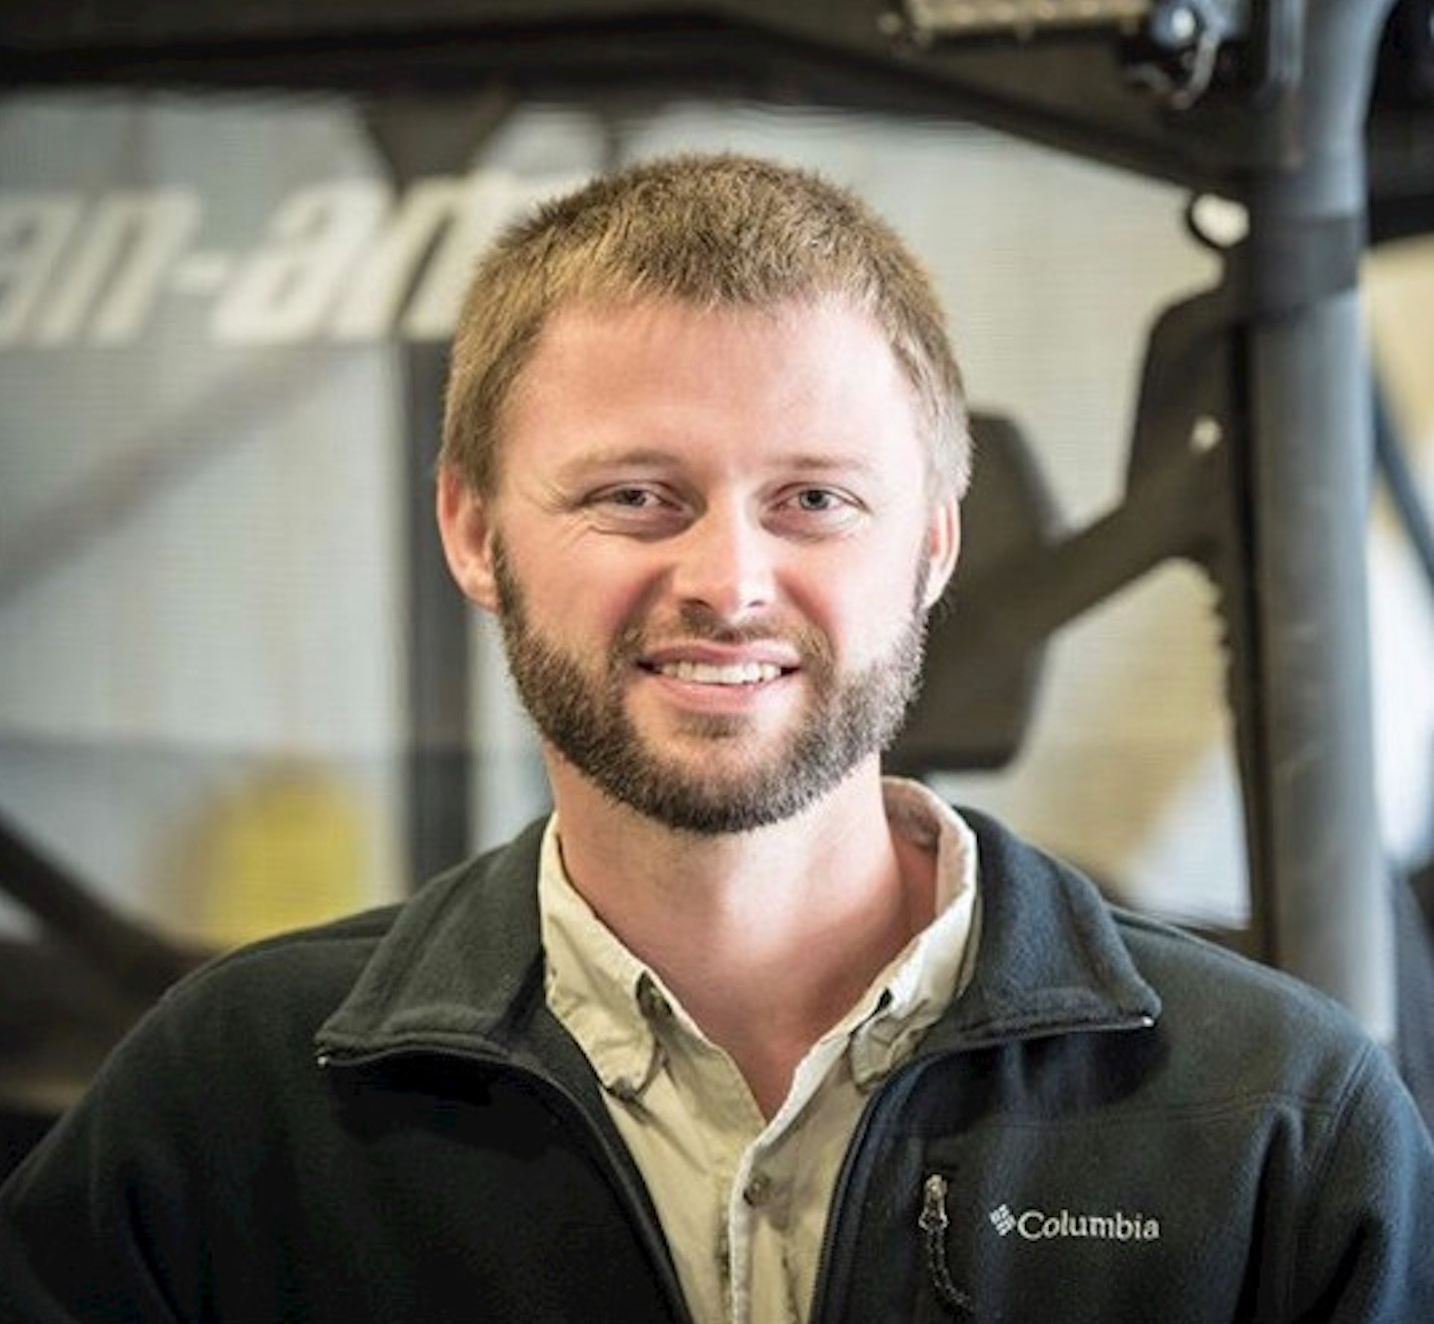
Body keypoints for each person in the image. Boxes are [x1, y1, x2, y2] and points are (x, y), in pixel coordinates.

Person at [2, 152, 1432, 1324]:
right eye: (635, 495)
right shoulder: (228, 1110)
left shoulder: (1273, 1123)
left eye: (813, 499)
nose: (728, 582)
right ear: (473, 529)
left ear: (934, 544)